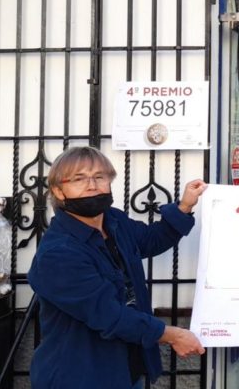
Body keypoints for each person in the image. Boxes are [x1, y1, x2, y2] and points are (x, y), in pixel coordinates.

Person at [28, 146, 207, 389]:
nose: (92, 185)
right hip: (79, 375)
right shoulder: (58, 253)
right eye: (79, 178)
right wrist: (173, 334)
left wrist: (184, 206)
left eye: (99, 176)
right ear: (59, 191)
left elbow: (151, 240)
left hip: (126, 367)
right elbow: (109, 315)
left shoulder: (113, 221)